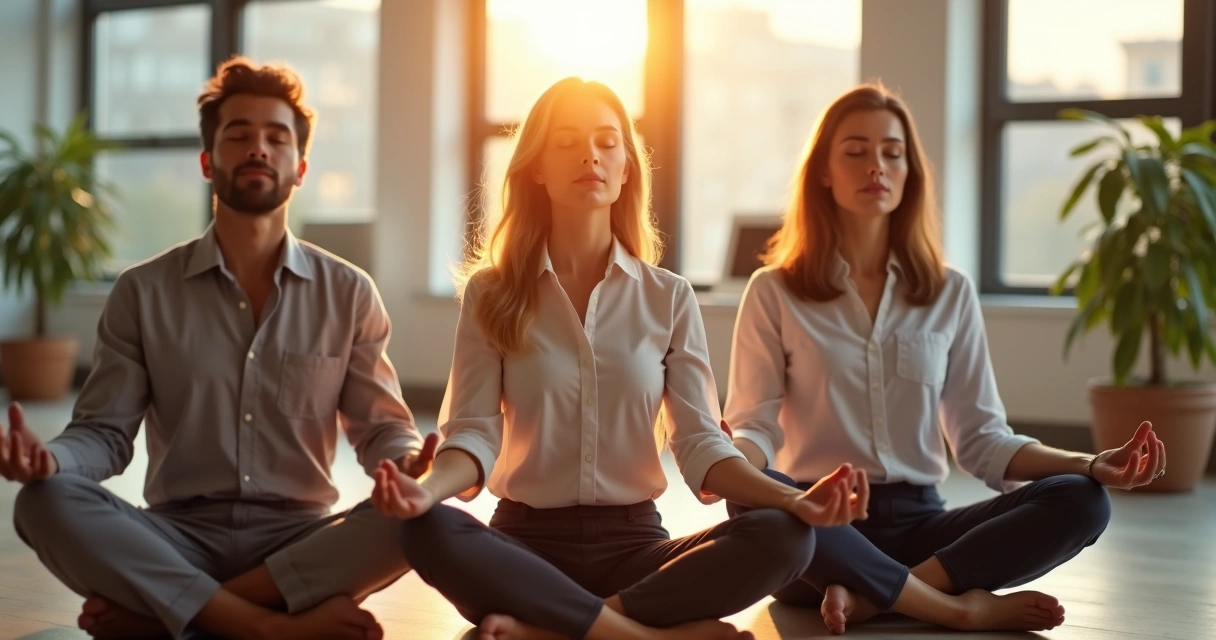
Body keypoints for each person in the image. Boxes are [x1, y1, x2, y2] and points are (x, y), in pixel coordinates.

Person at [369, 77, 869, 640]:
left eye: (608, 142)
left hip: (636, 547)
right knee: (423, 530)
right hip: (525, 547)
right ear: (536, 166)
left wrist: (796, 498)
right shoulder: (492, 293)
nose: (590, 155)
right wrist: (424, 491)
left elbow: (702, 444)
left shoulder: (669, 296)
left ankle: (558, 628)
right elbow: (473, 435)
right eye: (567, 142)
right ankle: (647, 636)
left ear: (627, 167)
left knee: (787, 535)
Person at [1, 56, 436, 640]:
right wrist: (50, 460)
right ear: (209, 162)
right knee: (42, 503)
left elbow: (381, 430)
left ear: (300, 167)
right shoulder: (142, 291)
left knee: (424, 517)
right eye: (240, 135)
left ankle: (179, 613)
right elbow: (104, 434)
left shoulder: (350, 292)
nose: (259, 148)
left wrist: (409, 463)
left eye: (276, 138)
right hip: (177, 537)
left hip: (299, 540)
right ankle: (268, 627)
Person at [723, 82, 1167, 635]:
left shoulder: (948, 291)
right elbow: (755, 425)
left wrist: (1090, 463)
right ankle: (953, 604)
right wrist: (730, 457)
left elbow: (982, 440)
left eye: (892, 152)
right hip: (818, 524)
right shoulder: (774, 291)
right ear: (823, 172)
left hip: (920, 525)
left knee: (1083, 501)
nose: (876, 166)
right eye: (855, 151)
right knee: (752, 496)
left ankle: (880, 596)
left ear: (909, 172)